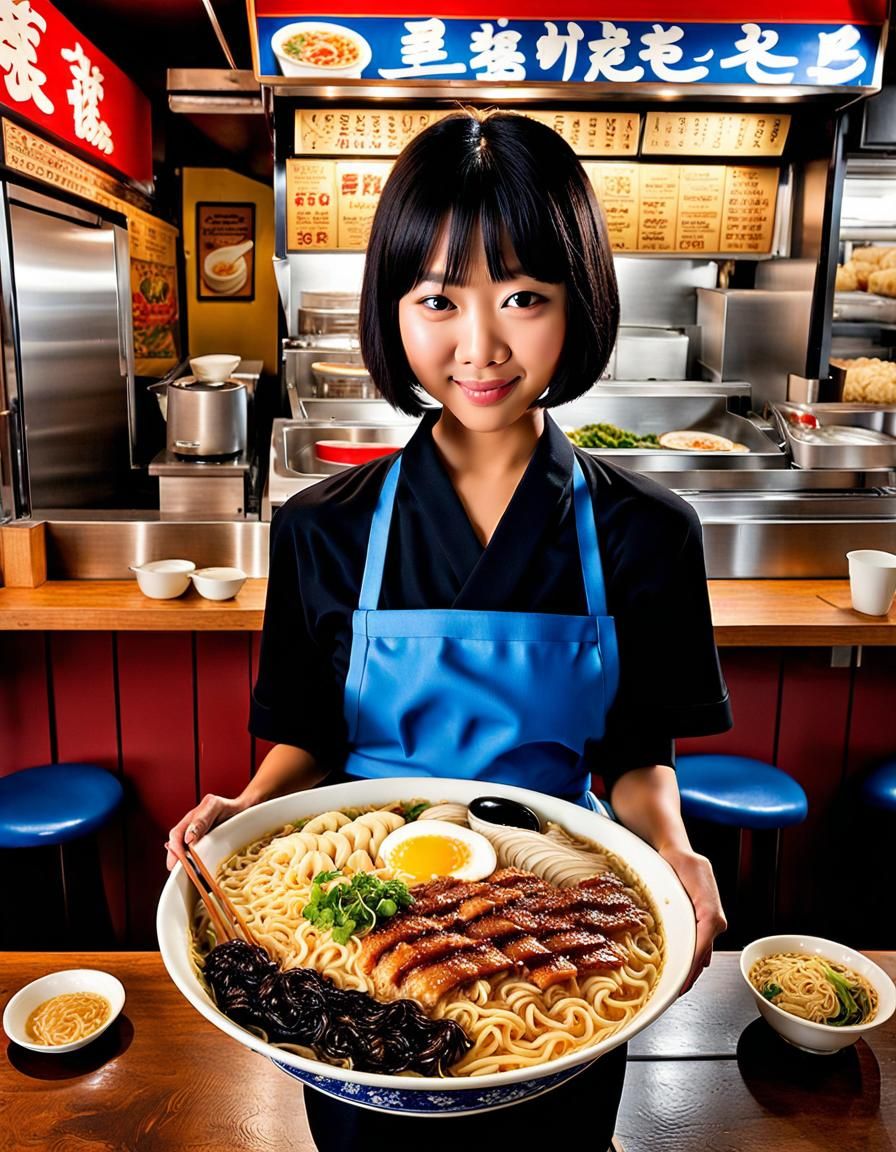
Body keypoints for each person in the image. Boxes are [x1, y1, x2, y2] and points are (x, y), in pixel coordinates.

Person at [167, 108, 732, 1150]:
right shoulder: (321, 529)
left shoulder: (648, 531)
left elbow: (633, 753)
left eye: (523, 297)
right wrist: (239, 812)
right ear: (395, 312)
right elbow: (308, 743)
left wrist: (673, 850)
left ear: (578, 307)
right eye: (437, 300)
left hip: (560, 917)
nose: (479, 346)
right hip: (358, 910)